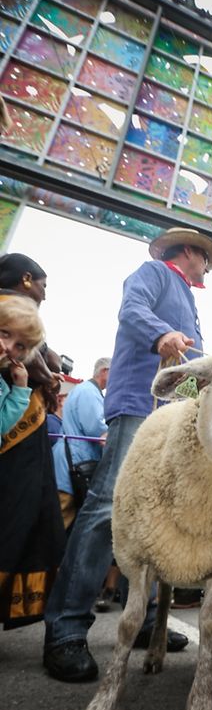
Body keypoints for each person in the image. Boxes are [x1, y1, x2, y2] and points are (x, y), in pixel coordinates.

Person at [43, 227, 212, 682]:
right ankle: (65, 628)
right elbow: (131, 309)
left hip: (170, 414)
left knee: (152, 516)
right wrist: (162, 333)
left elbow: (189, 363)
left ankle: (142, 619)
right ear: (190, 252)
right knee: (107, 506)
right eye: (205, 258)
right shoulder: (154, 273)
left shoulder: (187, 297)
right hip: (138, 405)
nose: (208, 267)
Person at [0, 254, 65, 630]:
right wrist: (49, 378)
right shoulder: (11, 307)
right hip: (16, 442)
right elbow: (40, 362)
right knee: (16, 518)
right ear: (26, 279)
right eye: (43, 284)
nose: (45, 293)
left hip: (18, 421)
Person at [52, 358, 111, 531]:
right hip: (72, 464)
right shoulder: (88, 392)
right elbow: (99, 431)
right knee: (59, 523)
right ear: (105, 371)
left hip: (71, 462)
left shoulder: (85, 390)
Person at [0, 295, 44, 434]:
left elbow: (3, 425)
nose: (9, 347)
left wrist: (20, 388)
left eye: (19, 345)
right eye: (5, 333)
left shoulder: (2, 386)